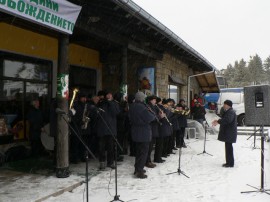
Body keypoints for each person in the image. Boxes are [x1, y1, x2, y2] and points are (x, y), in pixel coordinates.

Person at [128, 92, 156, 179]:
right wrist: (152, 113)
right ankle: (139, 171)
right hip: (143, 132)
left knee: (138, 152)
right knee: (143, 152)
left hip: (135, 131)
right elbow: (150, 117)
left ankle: (137, 168)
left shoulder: (132, 106)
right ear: (141, 98)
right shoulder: (142, 107)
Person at [96, 91, 120, 170]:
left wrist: (110, 102)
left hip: (111, 129)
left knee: (111, 147)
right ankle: (102, 162)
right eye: (108, 94)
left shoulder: (115, 103)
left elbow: (116, 112)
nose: (109, 96)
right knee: (101, 147)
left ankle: (110, 162)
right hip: (102, 128)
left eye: (110, 94)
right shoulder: (102, 103)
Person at [212, 100, 237, 168]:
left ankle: (230, 163)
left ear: (228, 105)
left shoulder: (231, 112)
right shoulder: (228, 111)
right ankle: (228, 162)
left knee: (229, 148)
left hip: (230, 133)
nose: (223, 106)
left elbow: (228, 120)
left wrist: (218, 121)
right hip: (228, 133)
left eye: (224, 104)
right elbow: (225, 118)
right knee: (228, 148)